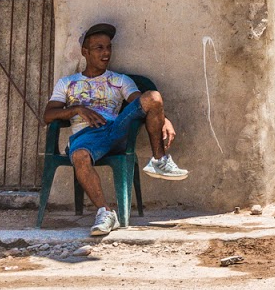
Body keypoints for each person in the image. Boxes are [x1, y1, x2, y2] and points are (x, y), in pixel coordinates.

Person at [42, 23, 188, 237]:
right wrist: (77, 109)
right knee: (79, 156)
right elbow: (48, 115)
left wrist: (163, 118)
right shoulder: (68, 83)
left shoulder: (120, 80)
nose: (106, 53)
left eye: (109, 47)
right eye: (99, 48)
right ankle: (106, 213)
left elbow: (142, 103)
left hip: (116, 129)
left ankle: (159, 160)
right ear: (85, 52)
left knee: (154, 97)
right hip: (86, 137)